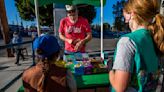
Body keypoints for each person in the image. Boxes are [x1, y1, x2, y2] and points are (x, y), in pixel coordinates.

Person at [109, 0, 164, 92]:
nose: (126, 22)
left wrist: (110, 69)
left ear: (133, 14)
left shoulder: (127, 41)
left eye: (126, 17)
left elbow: (120, 87)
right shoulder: (156, 38)